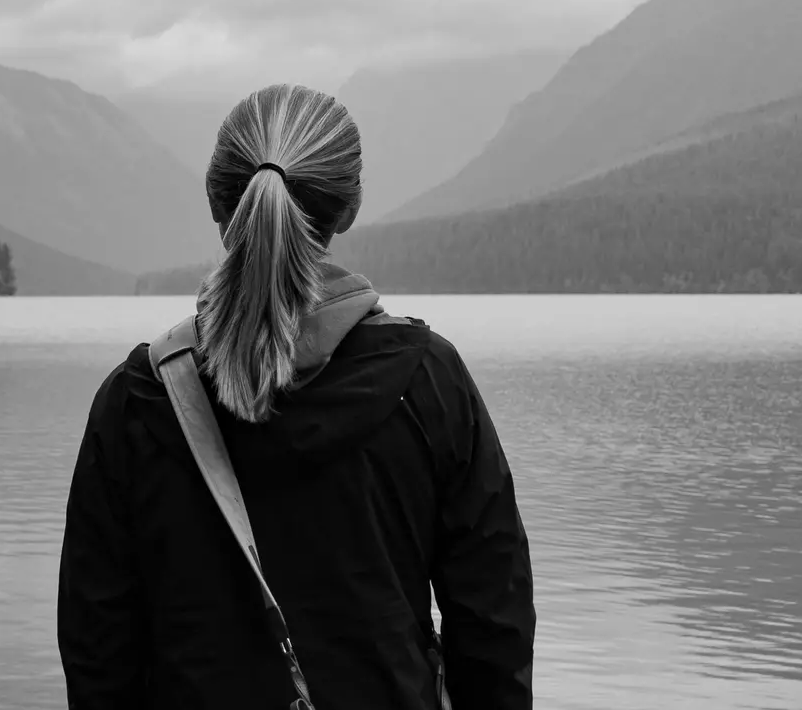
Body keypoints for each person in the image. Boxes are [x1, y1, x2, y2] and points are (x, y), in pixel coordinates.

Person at [57, 83, 534, 709]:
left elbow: (98, 649)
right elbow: (493, 623)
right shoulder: (429, 382)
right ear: (349, 208)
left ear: (217, 204)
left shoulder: (137, 400)